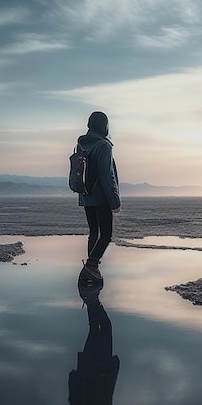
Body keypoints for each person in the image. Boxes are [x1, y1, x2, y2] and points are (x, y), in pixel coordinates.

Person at [76, 111, 121, 284]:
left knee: (94, 232)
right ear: (105, 126)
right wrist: (114, 201)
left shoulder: (81, 144)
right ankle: (91, 266)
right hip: (101, 197)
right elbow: (107, 176)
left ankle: (91, 269)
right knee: (106, 234)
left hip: (86, 196)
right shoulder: (103, 145)